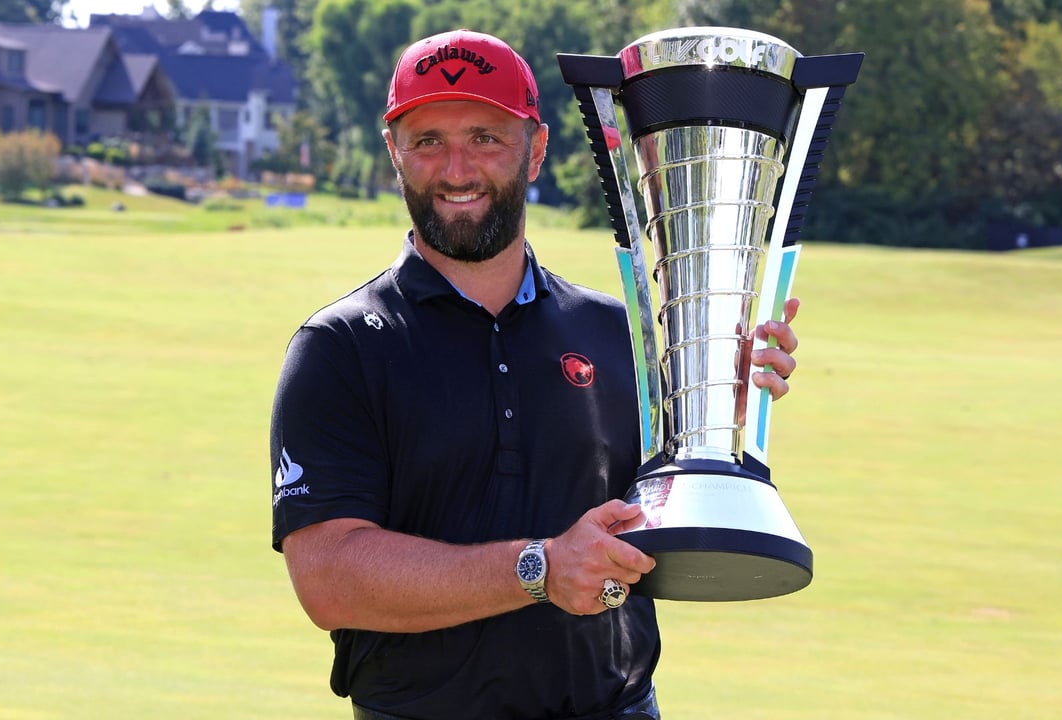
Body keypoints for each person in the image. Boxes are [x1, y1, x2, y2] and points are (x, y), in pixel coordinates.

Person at [270, 29, 801, 720]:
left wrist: (721, 392)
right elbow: (331, 580)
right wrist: (540, 568)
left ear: (536, 149)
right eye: (428, 140)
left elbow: (669, 512)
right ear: (393, 152)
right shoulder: (340, 348)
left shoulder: (622, 335)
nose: (456, 169)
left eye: (486, 137)